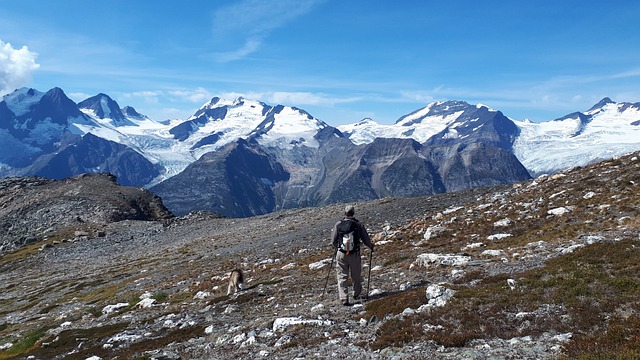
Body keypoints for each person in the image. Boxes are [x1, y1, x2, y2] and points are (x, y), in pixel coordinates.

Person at [331, 204, 374, 305]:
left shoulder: (338, 224)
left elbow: (333, 240)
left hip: (341, 253)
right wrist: (371, 246)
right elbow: (366, 239)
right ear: (353, 213)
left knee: (342, 276)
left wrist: (336, 247)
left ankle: (344, 298)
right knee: (356, 275)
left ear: (345, 213)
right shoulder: (358, 224)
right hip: (354, 253)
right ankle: (356, 294)